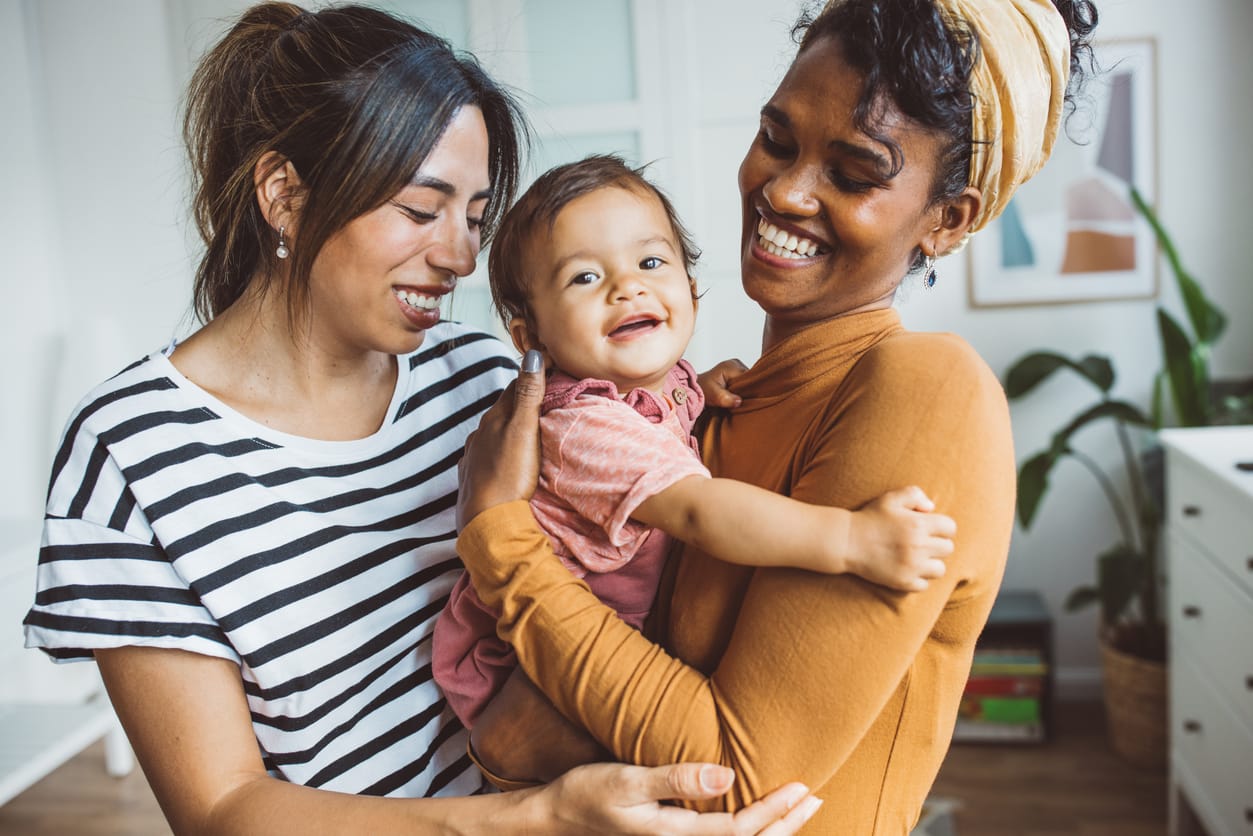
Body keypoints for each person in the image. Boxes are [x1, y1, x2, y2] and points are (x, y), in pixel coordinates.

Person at [21, 3, 825, 833]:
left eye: (475, 217)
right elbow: (222, 808)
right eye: (420, 209)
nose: (461, 256)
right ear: (284, 194)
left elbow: (646, 479)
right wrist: (533, 818)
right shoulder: (132, 452)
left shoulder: (491, 381)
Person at [452, 0, 1099, 831]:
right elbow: (526, 734)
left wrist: (499, 538)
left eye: (855, 172)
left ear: (947, 219)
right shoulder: (704, 404)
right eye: (777, 140)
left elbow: (732, 771)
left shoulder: (925, 388)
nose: (785, 191)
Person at [432, 154, 958, 736]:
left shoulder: (662, 385)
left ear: (691, 291)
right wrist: (850, 539)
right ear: (533, 338)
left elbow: (656, 427)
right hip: (524, 669)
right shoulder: (582, 427)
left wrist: (695, 392)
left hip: (605, 632)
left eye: (650, 262)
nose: (626, 287)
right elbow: (698, 511)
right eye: (584, 277)